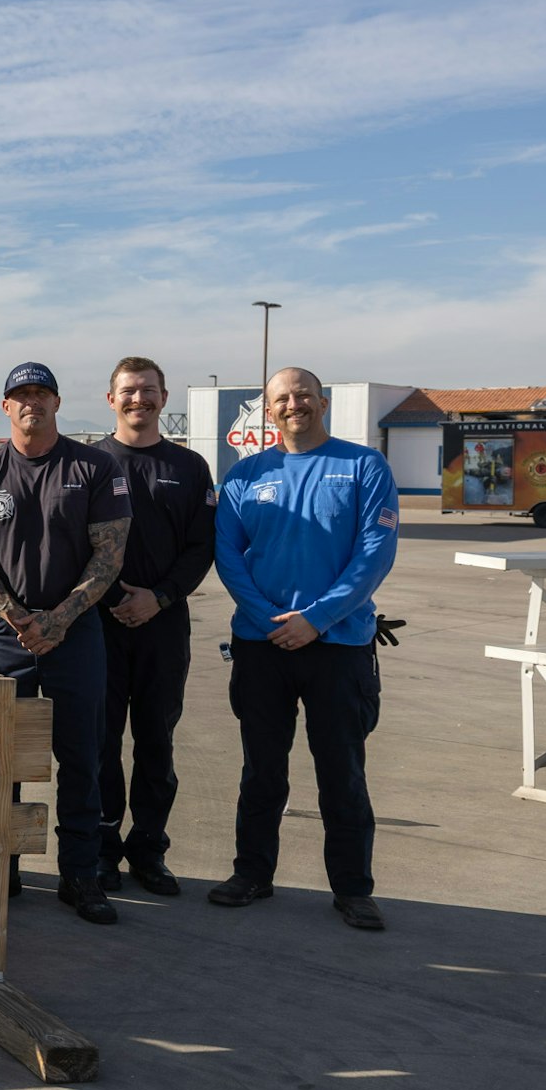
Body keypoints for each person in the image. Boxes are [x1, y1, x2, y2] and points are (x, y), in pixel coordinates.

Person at [210, 367, 398, 932]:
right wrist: (271, 620)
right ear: (268, 411)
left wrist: (317, 619)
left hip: (338, 645)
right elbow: (229, 556)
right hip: (262, 645)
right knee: (261, 769)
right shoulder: (246, 476)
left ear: (322, 401)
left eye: (302, 395)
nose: (294, 405)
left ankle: (353, 888)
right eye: (281, 399)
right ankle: (252, 874)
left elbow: (374, 554)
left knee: (342, 770)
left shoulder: (364, 466)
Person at [0, 363, 130, 926]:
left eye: (40, 394)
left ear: (57, 402)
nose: (31, 403)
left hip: (75, 634)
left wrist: (59, 618)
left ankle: (80, 875)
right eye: (20, 395)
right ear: (5, 407)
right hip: (3, 637)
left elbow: (109, 556)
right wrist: (15, 614)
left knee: (83, 756)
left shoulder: (93, 467)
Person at [95, 357, 214, 896]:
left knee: (155, 743)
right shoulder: (87, 462)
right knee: (98, 743)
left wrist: (160, 597)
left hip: (163, 625)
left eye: (148, 391)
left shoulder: (189, 468)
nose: (138, 399)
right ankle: (100, 851)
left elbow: (200, 548)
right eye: (128, 391)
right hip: (96, 625)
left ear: (165, 399)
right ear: (110, 398)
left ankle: (148, 849)